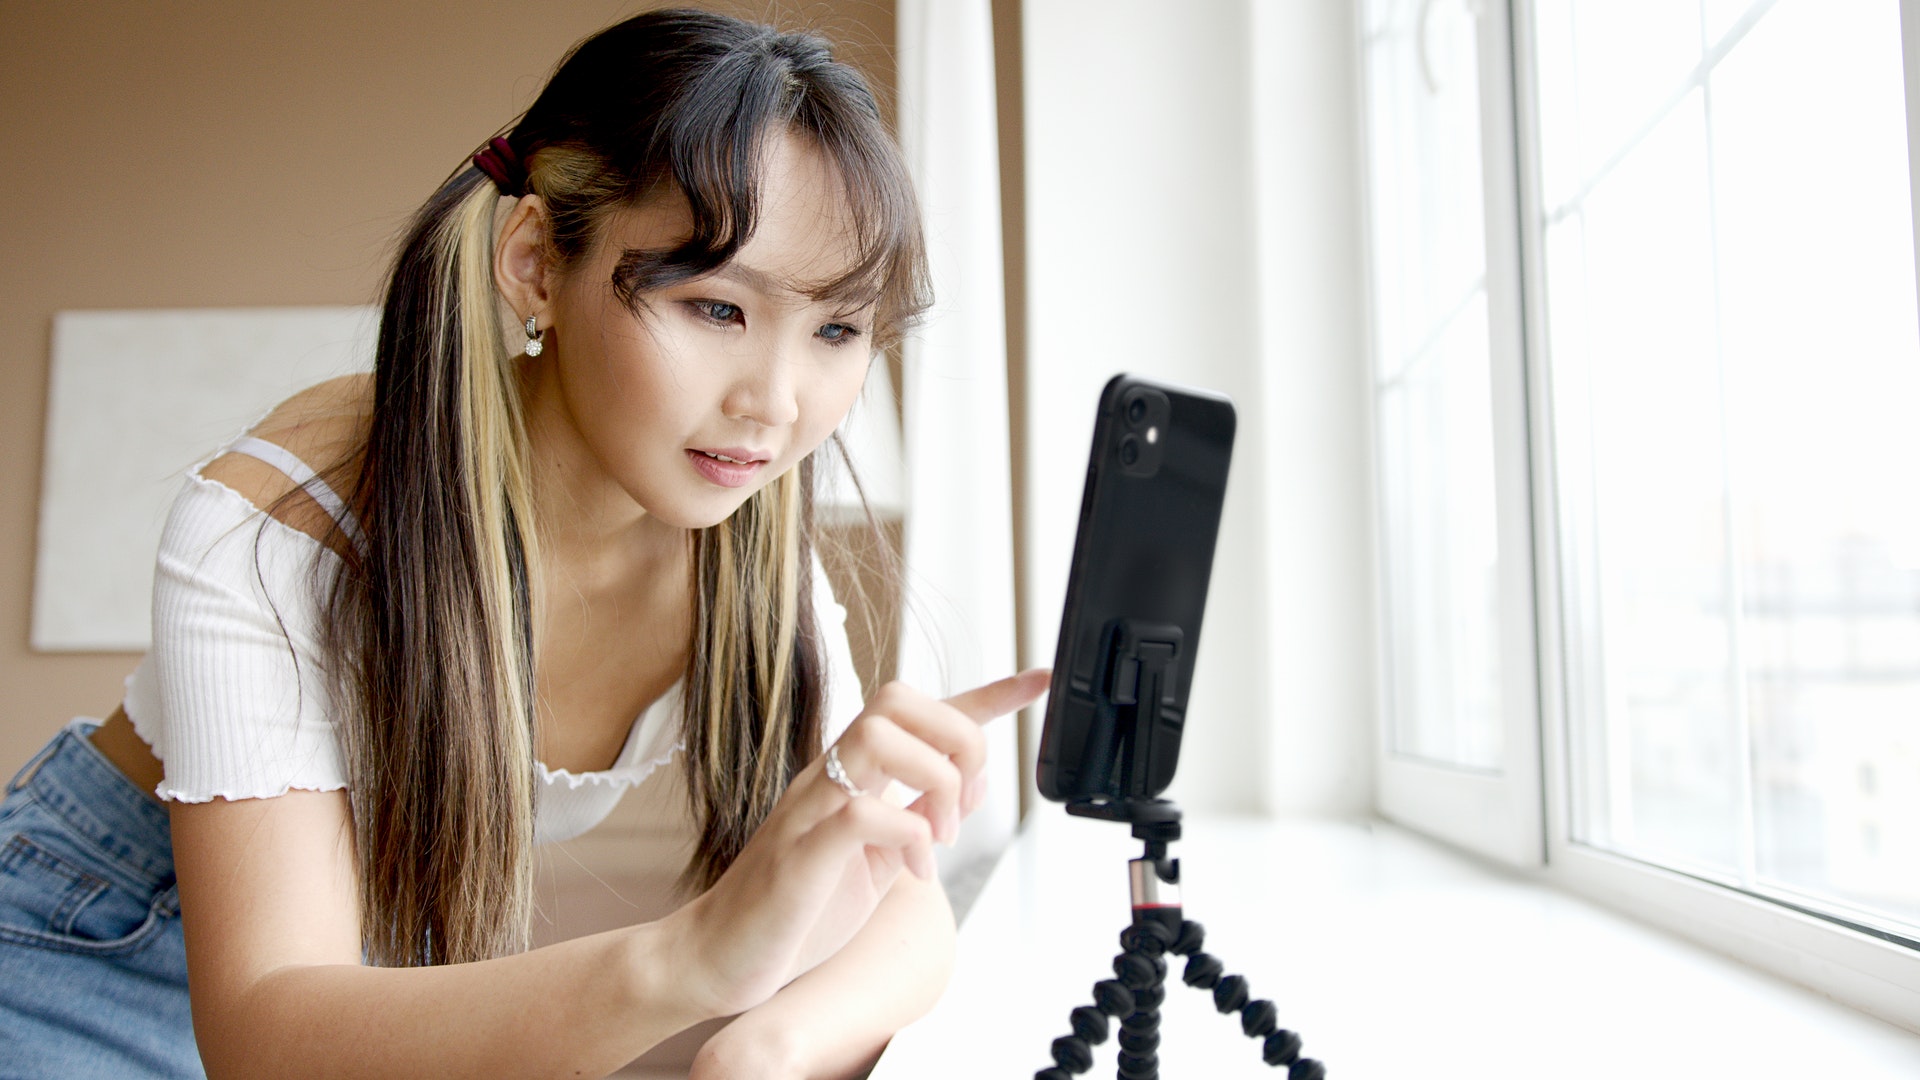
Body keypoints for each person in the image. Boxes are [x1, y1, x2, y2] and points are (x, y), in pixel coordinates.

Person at [0, 9, 1045, 1078]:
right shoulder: (295, 517)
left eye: (834, 331)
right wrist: (690, 960)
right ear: (537, 263)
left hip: (372, 986)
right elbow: (265, 1029)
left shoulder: (745, 551)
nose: (774, 405)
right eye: (716, 308)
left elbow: (896, 902)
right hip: (90, 943)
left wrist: (767, 1049)